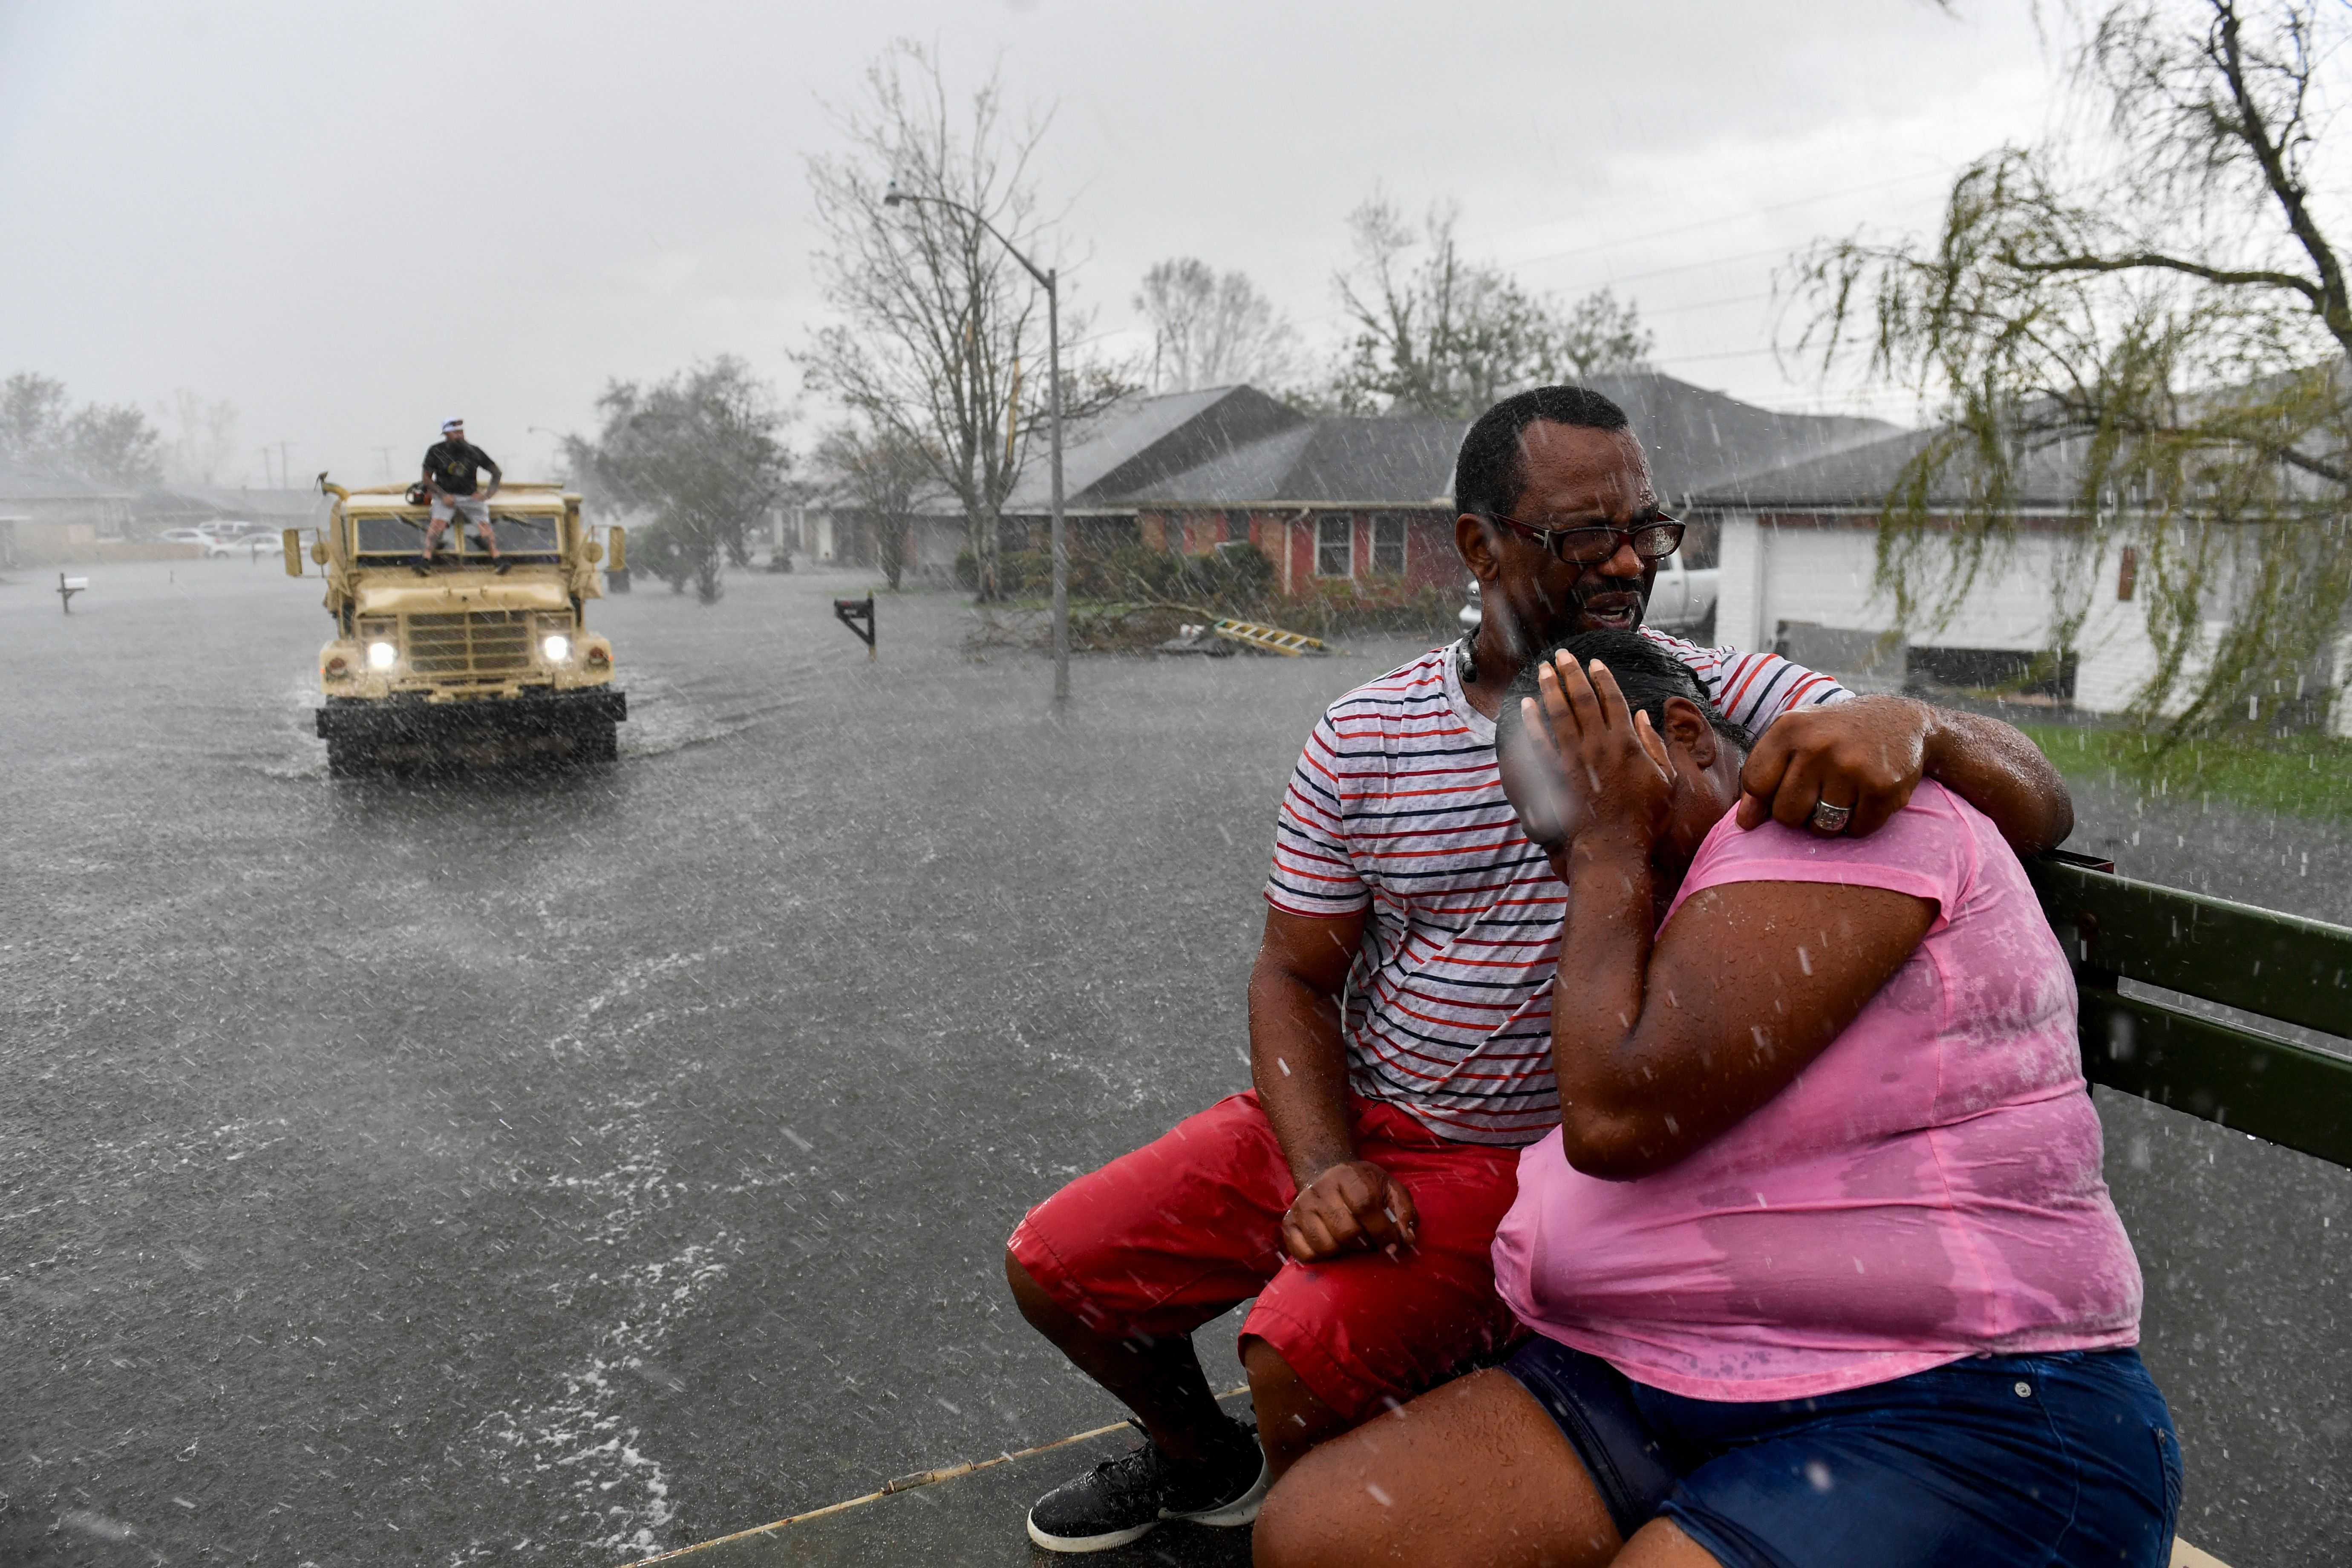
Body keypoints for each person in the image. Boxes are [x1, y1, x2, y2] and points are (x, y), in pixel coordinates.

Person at [1000, 386, 2078, 1555]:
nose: (1628, 562)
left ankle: (1320, 1490)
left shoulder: (1703, 693)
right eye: (1583, 536)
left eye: (1647, 531)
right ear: (1479, 544)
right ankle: (1208, 1465)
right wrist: (1321, 1163)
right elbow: (1293, 978)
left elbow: (2039, 799)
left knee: (1297, 1347)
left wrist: (1920, 726)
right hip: (1351, 1111)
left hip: (1511, 1162)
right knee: (1060, 1271)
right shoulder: (1365, 733)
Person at [1251, 630, 2176, 1568]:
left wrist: (1613, 840)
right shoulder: (1677, 884)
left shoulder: (1832, 819)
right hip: (1641, 1373)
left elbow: (1620, 1116)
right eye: (1555, 840)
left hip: (1954, 1394)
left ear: (1688, 734)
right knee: (1324, 1536)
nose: (1577, 869)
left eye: (1604, 800)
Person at [416, 418, 506, 573]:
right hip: (445, 497)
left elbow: (496, 472)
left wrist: (487, 495)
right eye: (455, 432)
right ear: (446, 434)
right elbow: (427, 479)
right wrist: (443, 496)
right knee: (437, 526)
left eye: (461, 432)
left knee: (485, 528)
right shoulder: (436, 451)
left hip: (470, 497)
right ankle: (426, 560)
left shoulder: (474, 451)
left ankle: (497, 559)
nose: (459, 436)